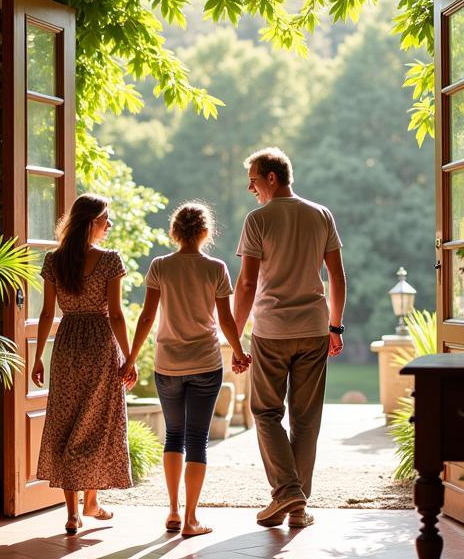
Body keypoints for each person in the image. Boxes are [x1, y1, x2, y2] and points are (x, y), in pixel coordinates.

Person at [233, 147, 346, 530]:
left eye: (253, 180)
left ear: (271, 177)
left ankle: (286, 491)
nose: (251, 189)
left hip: (272, 331)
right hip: (314, 328)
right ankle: (298, 508)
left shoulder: (258, 220)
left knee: (265, 413)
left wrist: (234, 336)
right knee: (306, 418)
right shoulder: (321, 214)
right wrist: (335, 326)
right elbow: (337, 277)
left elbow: (247, 283)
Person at [123, 203, 251, 538]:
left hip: (169, 365)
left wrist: (131, 359)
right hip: (206, 363)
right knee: (197, 439)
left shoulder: (160, 266)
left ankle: (174, 511)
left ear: (175, 231)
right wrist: (239, 352)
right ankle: (192, 519)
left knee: (173, 436)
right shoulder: (216, 268)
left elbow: (148, 318)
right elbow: (225, 319)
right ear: (206, 233)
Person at [32, 194, 136, 535]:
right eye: (106, 219)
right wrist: (130, 356)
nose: (109, 226)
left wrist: (38, 358)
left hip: (67, 346)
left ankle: (75, 512)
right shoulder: (109, 261)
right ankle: (90, 502)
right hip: (100, 344)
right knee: (100, 423)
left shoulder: (54, 260)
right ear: (92, 222)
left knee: (67, 422)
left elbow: (47, 313)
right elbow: (117, 314)